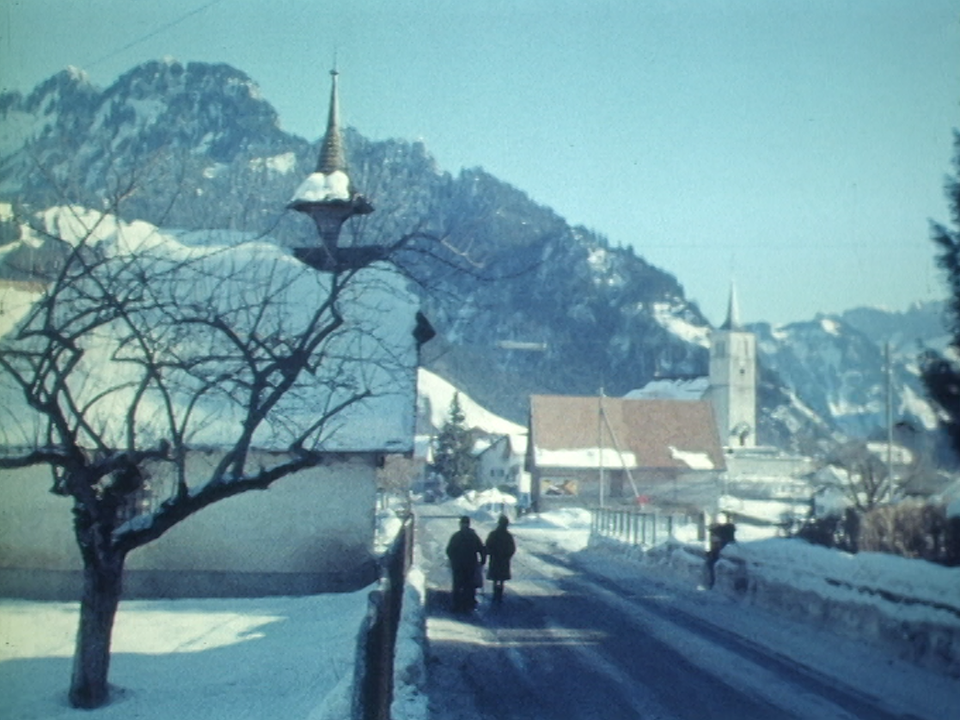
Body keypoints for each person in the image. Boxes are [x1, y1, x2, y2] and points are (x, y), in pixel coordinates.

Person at [446, 515, 486, 612]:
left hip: (458, 565)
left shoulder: (456, 536)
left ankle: (457, 604)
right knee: (469, 584)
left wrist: (453, 559)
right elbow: (481, 548)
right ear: (469, 524)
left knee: (458, 584)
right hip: (471, 564)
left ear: (460, 524)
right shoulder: (473, 536)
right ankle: (469, 603)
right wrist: (482, 560)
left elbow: (449, 550)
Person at [484, 515, 516, 603]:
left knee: (495, 577)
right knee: (501, 578)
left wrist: (489, 553)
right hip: (504, 560)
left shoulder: (493, 534)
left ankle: (495, 591)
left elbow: (488, 546)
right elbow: (512, 548)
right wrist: (507, 556)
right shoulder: (508, 536)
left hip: (495, 559)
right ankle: (499, 592)